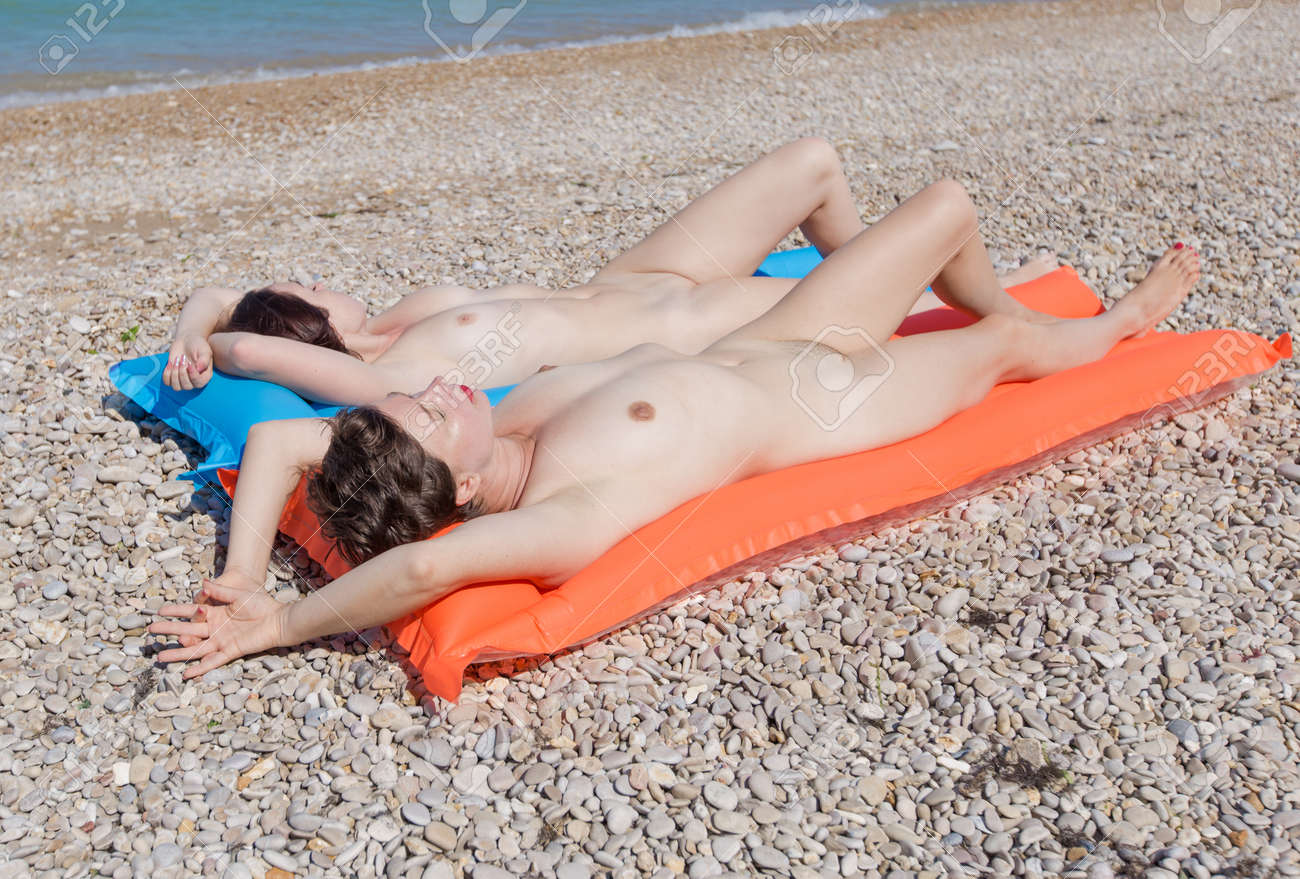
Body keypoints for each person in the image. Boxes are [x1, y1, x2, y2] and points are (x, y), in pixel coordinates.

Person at [149, 177, 1199, 679]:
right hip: (840, 399)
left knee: (948, 208)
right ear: (456, 495)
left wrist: (243, 576)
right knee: (1002, 355)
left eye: (418, 398)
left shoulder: (500, 425)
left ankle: (1022, 306)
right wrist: (282, 627)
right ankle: (1115, 327)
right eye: (432, 416)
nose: (445, 391)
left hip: (787, 331)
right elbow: (420, 576)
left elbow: (286, 444)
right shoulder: (556, 513)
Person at [162, 138, 1052, 403]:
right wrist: (210, 343)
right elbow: (247, 350)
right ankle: (1002, 304)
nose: (319, 277)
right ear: (303, 323)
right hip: (697, 325)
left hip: (636, 277)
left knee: (815, 163)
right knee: (945, 213)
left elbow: (213, 296)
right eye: (307, 286)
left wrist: (188, 321)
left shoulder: (396, 318)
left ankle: (898, 276)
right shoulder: (382, 374)